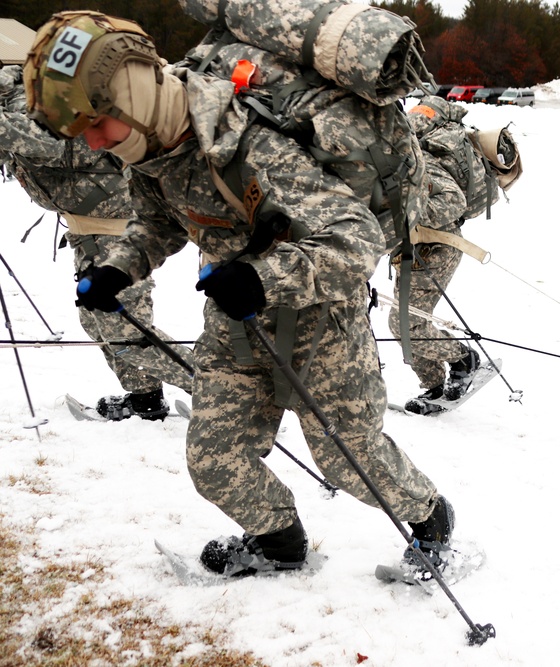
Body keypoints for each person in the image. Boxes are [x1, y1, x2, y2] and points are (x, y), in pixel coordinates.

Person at [23, 11, 454, 576]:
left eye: (99, 123)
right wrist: (119, 269)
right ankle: (279, 541)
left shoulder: (251, 144)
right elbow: (157, 223)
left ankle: (430, 520)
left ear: (134, 97)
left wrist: (262, 277)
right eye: (82, 133)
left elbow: (356, 242)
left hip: (323, 320)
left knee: (350, 460)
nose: (95, 141)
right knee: (214, 458)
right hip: (234, 319)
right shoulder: (154, 150)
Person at [0, 64, 193, 420]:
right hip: (90, 228)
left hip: (123, 227)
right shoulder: (10, 104)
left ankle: (231, 395)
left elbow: (46, 142)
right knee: (98, 322)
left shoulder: (38, 100)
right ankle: (146, 400)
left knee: (128, 334)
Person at [389, 97, 483, 415]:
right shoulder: (390, 164)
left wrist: (412, 212)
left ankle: (462, 358)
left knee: (406, 325)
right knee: (403, 324)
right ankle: (434, 384)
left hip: (437, 247)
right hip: (410, 250)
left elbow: (453, 202)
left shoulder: (421, 162)